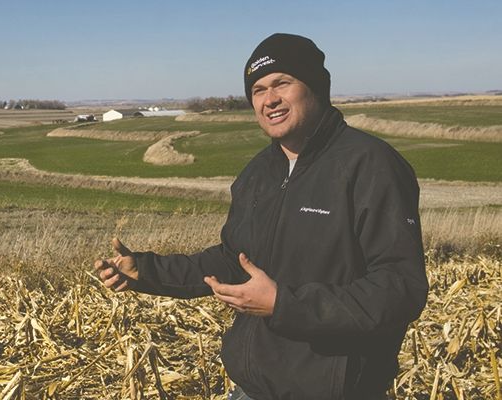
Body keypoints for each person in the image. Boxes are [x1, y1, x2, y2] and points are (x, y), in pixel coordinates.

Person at [94, 33, 429, 400]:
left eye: (282, 83)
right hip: (252, 390)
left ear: (315, 88)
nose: (269, 99)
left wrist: (283, 305)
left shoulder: (370, 165)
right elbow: (232, 259)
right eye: (257, 89)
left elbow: (399, 288)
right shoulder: (258, 173)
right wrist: (147, 272)